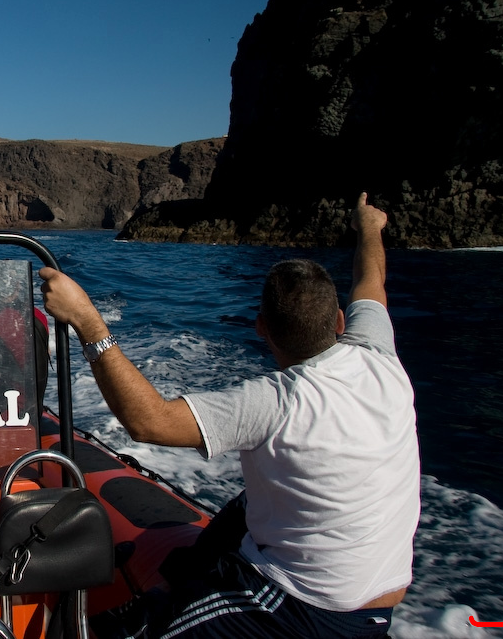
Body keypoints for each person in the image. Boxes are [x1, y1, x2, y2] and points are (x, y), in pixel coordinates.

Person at [38, 193, 420, 638]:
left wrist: (87, 320)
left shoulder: (278, 401)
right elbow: (371, 279)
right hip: (381, 594)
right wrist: (369, 227)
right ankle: (183, 581)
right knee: (245, 506)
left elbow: (149, 422)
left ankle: (163, 612)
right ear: (339, 321)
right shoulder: (379, 354)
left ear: (261, 328)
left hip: (308, 609)